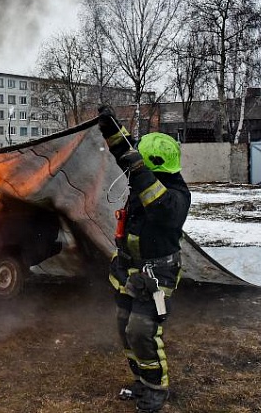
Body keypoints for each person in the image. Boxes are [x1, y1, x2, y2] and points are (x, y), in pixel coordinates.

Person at [98, 107, 191, 413]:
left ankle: (155, 388)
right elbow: (126, 151)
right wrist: (110, 127)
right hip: (128, 269)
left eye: (142, 163)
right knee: (125, 327)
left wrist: (139, 172)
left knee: (142, 330)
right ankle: (140, 378)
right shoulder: (143, 175)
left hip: (156, 275)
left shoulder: (178, 193)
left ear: (153, 167)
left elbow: (161, 208)